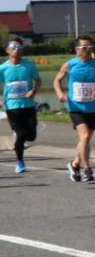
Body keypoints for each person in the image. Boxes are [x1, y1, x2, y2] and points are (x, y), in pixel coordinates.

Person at [53, 35, 95, 181]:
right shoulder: (69, 65)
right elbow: (56, 81)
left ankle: (75, 163)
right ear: (77, 49)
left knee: (85, 140)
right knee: (84, 136)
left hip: (92, 107)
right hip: (75, 106)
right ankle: (87, 169)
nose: (87, 51)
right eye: (84, 48)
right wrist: (60, 94)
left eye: (90, 48)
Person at [0, 37, 41, 174]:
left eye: (19, 47)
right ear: (7, 50)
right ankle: (20, 162)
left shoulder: (29, 65)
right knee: (19, 134)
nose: (17, 50)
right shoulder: (3, 68)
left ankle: (22, 138)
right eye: (13, 47)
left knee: (31, 136)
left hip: (28, 105)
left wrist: (33, 90)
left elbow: (38, 80)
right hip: (12, 106)